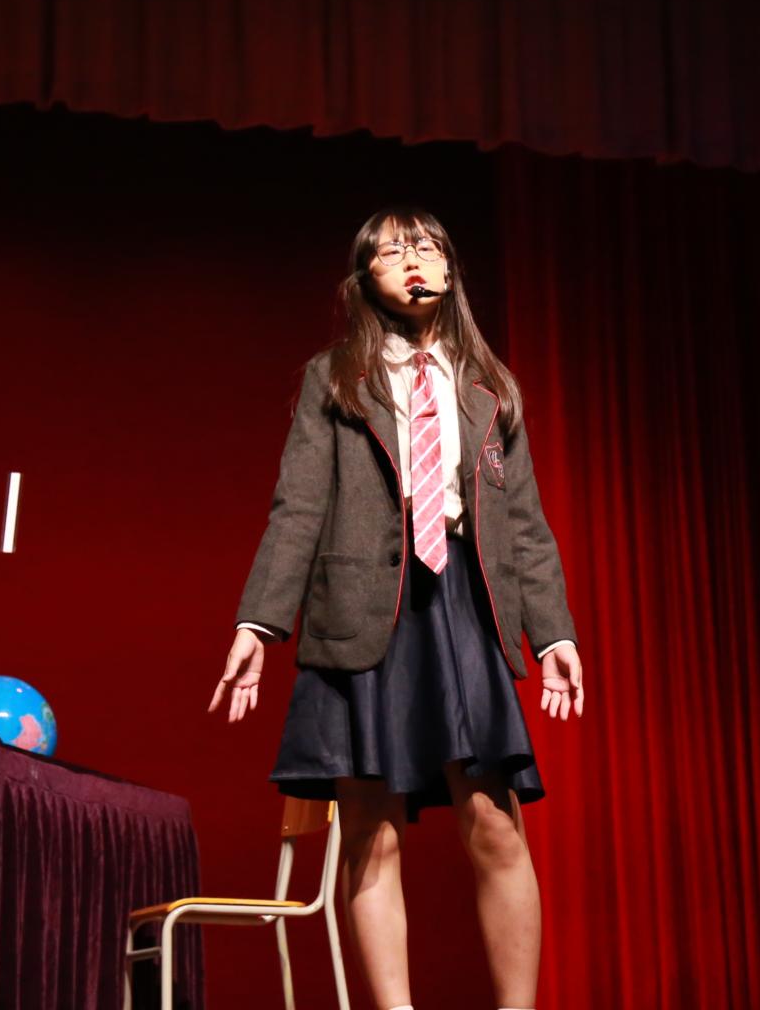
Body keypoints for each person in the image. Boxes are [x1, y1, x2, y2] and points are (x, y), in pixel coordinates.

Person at [209, 208, 586, 1010]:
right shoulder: (335, 378)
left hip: (460, 605)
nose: (411, 259)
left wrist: (552, 633)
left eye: (425, 246)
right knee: (371, 832)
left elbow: (524, 522)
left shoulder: (488, 385)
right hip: (363, 607)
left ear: (449, 268)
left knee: (494, 823)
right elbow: (298, 506)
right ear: (364, 279)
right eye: (389, 251)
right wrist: (257, 624)